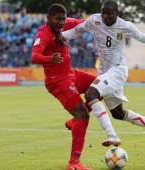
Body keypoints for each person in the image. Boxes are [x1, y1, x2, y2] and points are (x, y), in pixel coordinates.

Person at [62, 0, 145, 147]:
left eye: (109, 13)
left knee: (91, 94)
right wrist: (61, 36)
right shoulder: (94, 20)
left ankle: (112, 135)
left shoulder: (125, 25)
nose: (105, 16)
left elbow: (140, 36)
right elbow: (77, 30)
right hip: (104, 71)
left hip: (118, 70)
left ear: (116, 13)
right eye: (103, 13)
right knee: (118, 113)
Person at [31, 3, 95, 170]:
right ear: (48, 19)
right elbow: (34, 56)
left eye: (63, 19)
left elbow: (82, 22)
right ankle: (74, 163)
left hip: (70, 74)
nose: (61, 22)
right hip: (57, 81)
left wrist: (102, 21)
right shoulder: (43, 33)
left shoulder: (64, 24)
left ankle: (74, 122)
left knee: (100, 86)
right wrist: (49, 59)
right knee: (83, 116)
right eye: (57, 19)